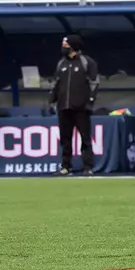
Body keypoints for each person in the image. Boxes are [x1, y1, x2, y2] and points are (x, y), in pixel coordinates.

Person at [48, 35, 100, 175]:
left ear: (74, 47)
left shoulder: (86, 62)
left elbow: (94, 83)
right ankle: (66, 167)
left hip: (81, 107)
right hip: (63, 106)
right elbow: (55, 83)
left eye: (66, 46)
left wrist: (90, 102)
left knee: (85, 137)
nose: (63, 48)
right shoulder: (61, 63)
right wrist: (51, 100)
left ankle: (88, 167)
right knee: (65, 138)